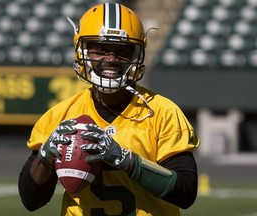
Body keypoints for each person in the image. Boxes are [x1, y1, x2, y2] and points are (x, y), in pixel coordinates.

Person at [18, 3, 200, 216]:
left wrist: (127, 160)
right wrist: (44, 158)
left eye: (122, 51)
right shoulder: (60, 116)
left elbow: (186, 192)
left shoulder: (162, 112)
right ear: (82, 51)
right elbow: (31, 200)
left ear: (136, 55)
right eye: (100, 50)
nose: (111, 60)